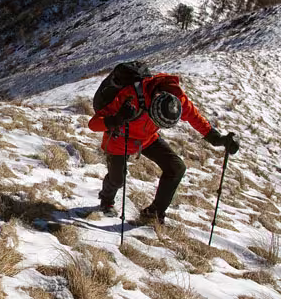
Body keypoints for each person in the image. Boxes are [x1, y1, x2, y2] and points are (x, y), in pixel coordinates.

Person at [88, 70, 239, 225]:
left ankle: (154, 213)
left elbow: (195, 117)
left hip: (147, 138)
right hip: (120, 139)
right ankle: (106, 200)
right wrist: (117, 118)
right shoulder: (130, 96)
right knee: (117, 180)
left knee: (176, 167)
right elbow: (93, 124)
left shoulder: (176, 99)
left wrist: (217, 139)